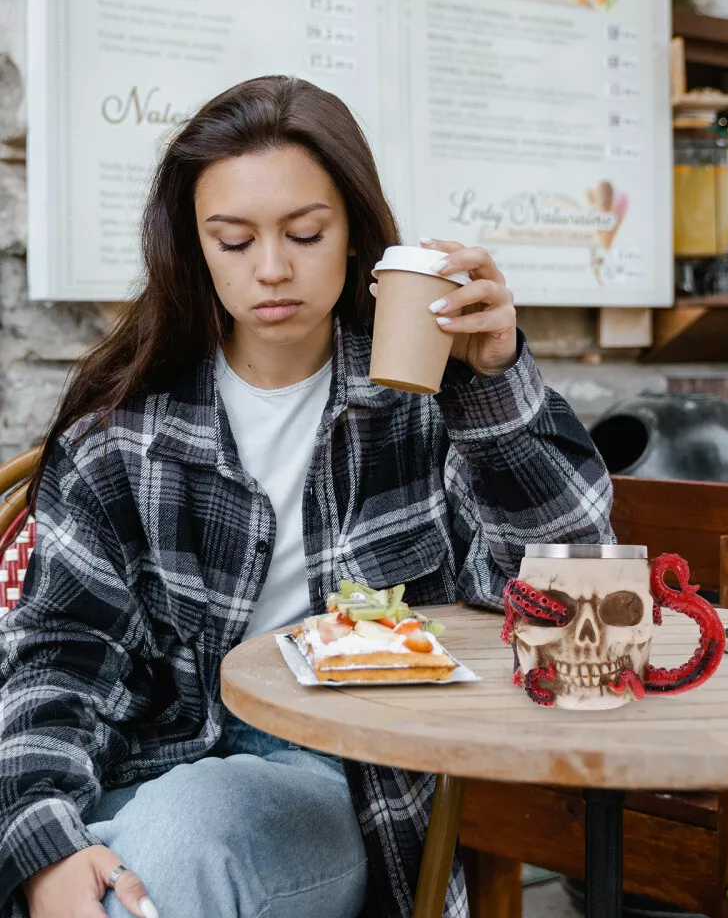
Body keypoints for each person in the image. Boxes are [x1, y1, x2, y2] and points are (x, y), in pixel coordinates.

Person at [0, 76, 613, 918]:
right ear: (194, 246)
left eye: (305, 232)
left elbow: (564, 579)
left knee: (191, 838)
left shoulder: (421, 396)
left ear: (354, 233)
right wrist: (45, 842)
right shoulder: (124, 431)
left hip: (341, 779)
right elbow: (63, 656)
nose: (273, 269)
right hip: (132, 770)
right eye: (234, 241)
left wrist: (493, 385)